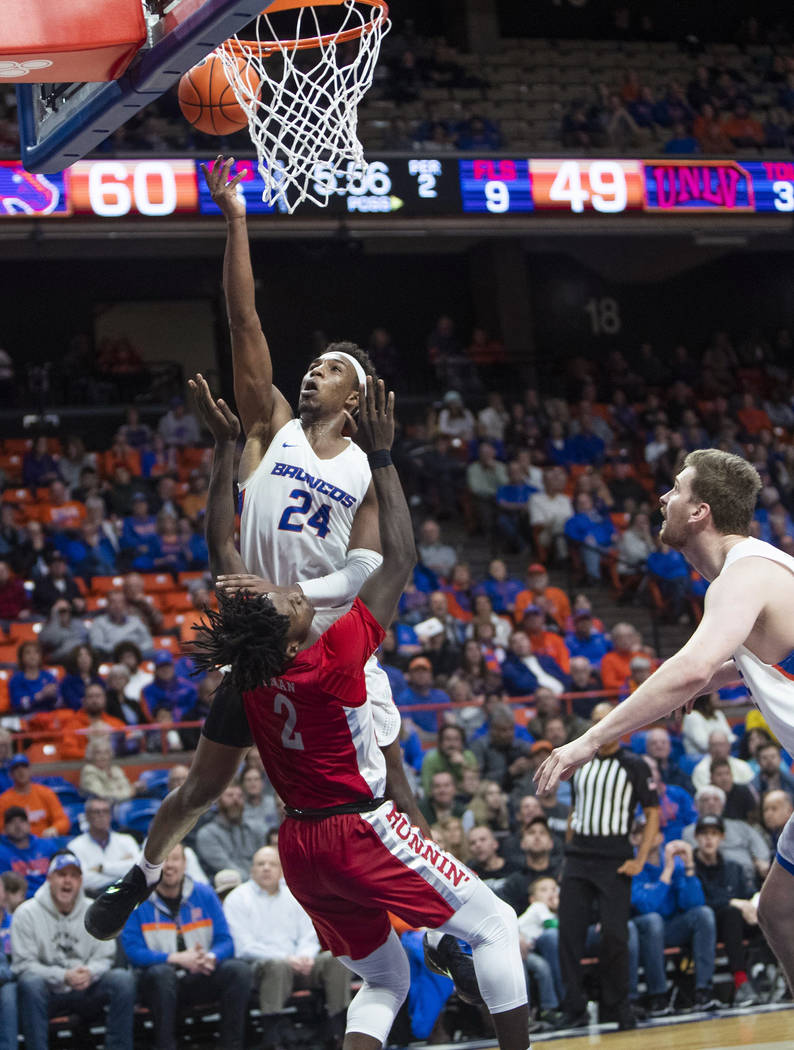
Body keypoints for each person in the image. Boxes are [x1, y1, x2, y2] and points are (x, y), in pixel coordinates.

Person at [95, 375, 529, 1050]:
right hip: (355, 827)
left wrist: (222, 452)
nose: (290, 594)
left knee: (383, 979)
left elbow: (219, 550)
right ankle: (463, 958)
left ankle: (148, 870)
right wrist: (385, 458)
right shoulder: (337, 655)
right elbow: (399, 560)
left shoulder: (252, 676)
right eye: (292, 603)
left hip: (299, 846)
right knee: (492, 915)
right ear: (300, 632)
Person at [535, 449, 794, 1001]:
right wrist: (705, 682)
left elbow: (690, 665)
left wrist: (592, 739)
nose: (663, 498)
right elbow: (757, 662)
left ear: (700, 511)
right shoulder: (753, 571)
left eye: (675, 490)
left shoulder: (742, 577)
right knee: (778, 912)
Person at [556, 701, 659, 1031]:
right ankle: (573, 1009)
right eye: (597, 720)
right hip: (578, 858)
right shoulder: (580, 760)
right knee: (568, 936)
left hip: (614, 859)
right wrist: (567, 853)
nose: (603, 727)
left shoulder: (635, 765)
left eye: (608, 721)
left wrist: (640, 859)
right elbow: (575, 808)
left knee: (615, 936)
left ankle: (617, 1005)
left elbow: (653, 812)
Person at [120, 843, 252, 1050]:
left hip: (199, 974)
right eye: (163, 859)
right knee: (162, 975)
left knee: (238, 970)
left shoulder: (205, 894)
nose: (169, 865)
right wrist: (175, 958)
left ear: (184, 863)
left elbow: (225, 940)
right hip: (156, 983)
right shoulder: (138, 900)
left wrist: (210, 957)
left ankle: (231, 1045)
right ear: (153, 865)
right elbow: (133, 951)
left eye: (175, 859)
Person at [223, 846, 350, 1045]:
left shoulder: (294, 894)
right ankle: (273, 1038)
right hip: (261, 968)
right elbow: (244, 947)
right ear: (251, 870)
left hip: (300, 963)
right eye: (260, 864)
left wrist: (305, 956)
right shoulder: (237, 899)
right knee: (277, 966)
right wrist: (287, 958)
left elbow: (309, 934)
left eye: (272, 864)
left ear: (281, 870)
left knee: (336, 959)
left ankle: (339, 1030)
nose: (266, 868)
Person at [12, 851, 136, 1050]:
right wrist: (63, 976)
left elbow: (105, 956)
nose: (67, 881)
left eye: (73, 876)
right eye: (61, 875)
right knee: (29, 983)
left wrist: (90, 972)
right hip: (48, 992)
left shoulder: (95, 911)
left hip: (87, 988)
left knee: (122, 980)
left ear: (80, 881)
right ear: (49, 878)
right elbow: (23, 965)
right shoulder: (26, 914)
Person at [630, 827, 719, 1014]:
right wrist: (667, 872)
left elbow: (693, 903)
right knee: (653, 921)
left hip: (671, 928)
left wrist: (688, 867)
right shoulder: (632, 866)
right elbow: (647, 907)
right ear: (633, 840)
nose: (645, 836)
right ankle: (658, 996)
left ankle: (704, 991)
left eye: (649, 831)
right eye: (639, 833)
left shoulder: (675, 863)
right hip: (641, 932)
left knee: (704, 914)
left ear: (660, 837)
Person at [693, 815, 761, 1006]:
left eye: (714, 834)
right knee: (730, 914)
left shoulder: (734, 867)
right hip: (707, 928)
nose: (709, 839)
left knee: (771, 916)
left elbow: (749, 893)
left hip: (740, 923)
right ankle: (741, 982)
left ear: (722, 837)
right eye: (704, 834)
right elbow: (701, 901)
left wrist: (754, 904)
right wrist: (735, 903)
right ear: (696, 837)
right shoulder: (691, 868)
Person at [68, 797, 139, 897]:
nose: (101, 815)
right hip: (93, 898)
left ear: (111, 816)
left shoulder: (127, 840)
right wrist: (122, 871)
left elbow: (137, 871)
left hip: (126, 896)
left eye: (105, 811)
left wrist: (102, 868)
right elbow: (83, 880)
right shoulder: (75, 846)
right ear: (87, 816)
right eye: (96, 812)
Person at [195, 783, 261, 881]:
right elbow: (226, 867)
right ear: (218, 801)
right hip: (227, 888)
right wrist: (257, 881)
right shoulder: (207, 834)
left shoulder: (255, 828)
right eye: (230, 795)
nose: (235, 800)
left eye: (240, 796)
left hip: (261, 884)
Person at [0, 756, 69, 837]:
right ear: (11, 774)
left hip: (44, 842)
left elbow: (62, 820)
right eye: (16, 768)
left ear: (30, 770)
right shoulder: (4, 800)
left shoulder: (45, 792)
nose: (21, 771)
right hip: (16, 845)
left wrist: (55, 829)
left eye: (24, 767)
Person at [0, 808, 60, 899]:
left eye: (22, 821)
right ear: (5, 828)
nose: (18, 826)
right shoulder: (1, 852)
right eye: (12, 822)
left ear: (29, 824)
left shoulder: (47, 846)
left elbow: (60, 873)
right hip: (18, 901)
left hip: (50, 897)